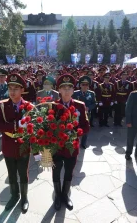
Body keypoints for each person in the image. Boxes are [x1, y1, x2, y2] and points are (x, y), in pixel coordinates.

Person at [0, 73, 33, 213]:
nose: (12, 91)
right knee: (11, 173)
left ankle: (24, 198)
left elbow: (33, 128)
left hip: (23, 146)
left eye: (16, 88)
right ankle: (14, 195)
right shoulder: (3, 105)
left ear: (22, 90)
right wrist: (16, 125)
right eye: (10, 88)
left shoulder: (29, 106)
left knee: (23, 174)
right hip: (8, 145)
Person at [52, 74, 90, 211]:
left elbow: (86, 126)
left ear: (73, 90)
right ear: (59, 91)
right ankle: (57, 196)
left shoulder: (80, 106)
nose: (67, 91)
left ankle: (65, 195)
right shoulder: (52, 106)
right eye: (64, 88)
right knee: (56, 172)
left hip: (71, 147)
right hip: (56, 147)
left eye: (69, 88)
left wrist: (76, 132)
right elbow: (46, 127)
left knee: (69, 171)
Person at [73, 76, 96, 149]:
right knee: (75, 127)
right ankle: (74, 141)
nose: (85, 86)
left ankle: (83, 143)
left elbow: (94, 103)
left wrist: (89, 108)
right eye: (83, 84)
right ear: (80, 85)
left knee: (86, 128)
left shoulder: (91, 93)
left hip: (86, 114)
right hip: (76, 114)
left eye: (86, 85)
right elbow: (72, 102)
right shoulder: (75, 93)